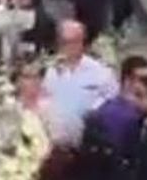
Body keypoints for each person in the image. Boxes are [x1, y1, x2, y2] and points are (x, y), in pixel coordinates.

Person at [41, 19, 118, 147]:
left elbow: (112, 105)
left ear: (83, 42)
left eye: (74, 41)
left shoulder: (101, 72)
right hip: (56, 145)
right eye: (65, 42)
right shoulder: (50, 72)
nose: (69, 46)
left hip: (88, 144)